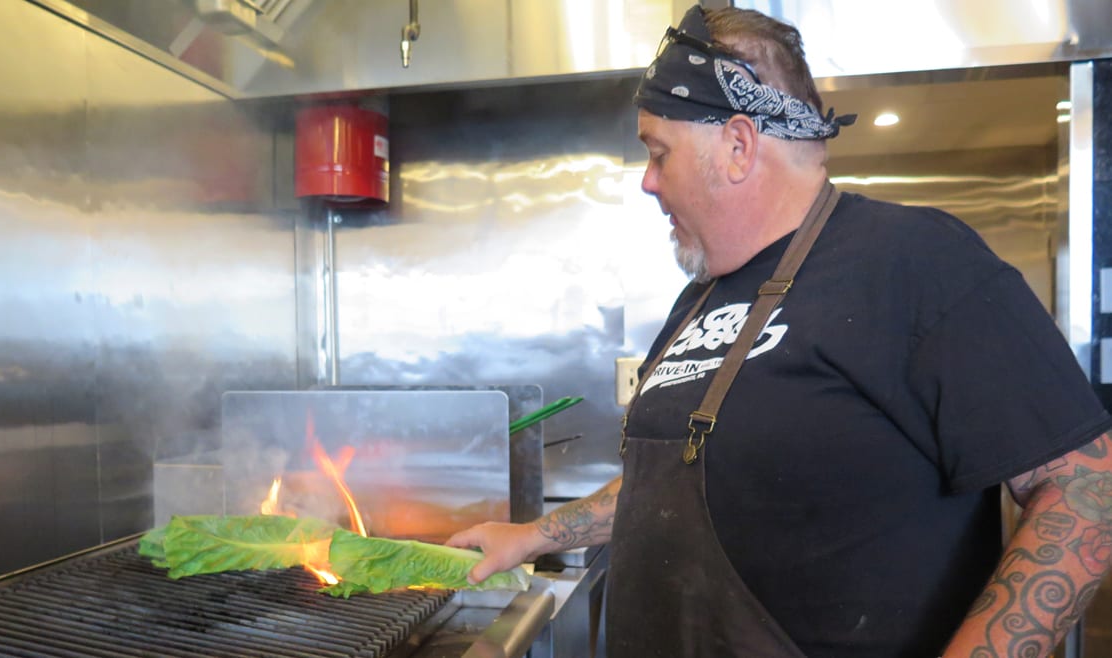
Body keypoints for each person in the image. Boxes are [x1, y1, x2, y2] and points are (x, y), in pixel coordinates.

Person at [447, 6, 1112, 658]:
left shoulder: (916, 261)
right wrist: (536, 535)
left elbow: (1087, 489)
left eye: (659, 152)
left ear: (737, 145)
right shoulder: (699, 299)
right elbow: (672, 478)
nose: (648, 182)